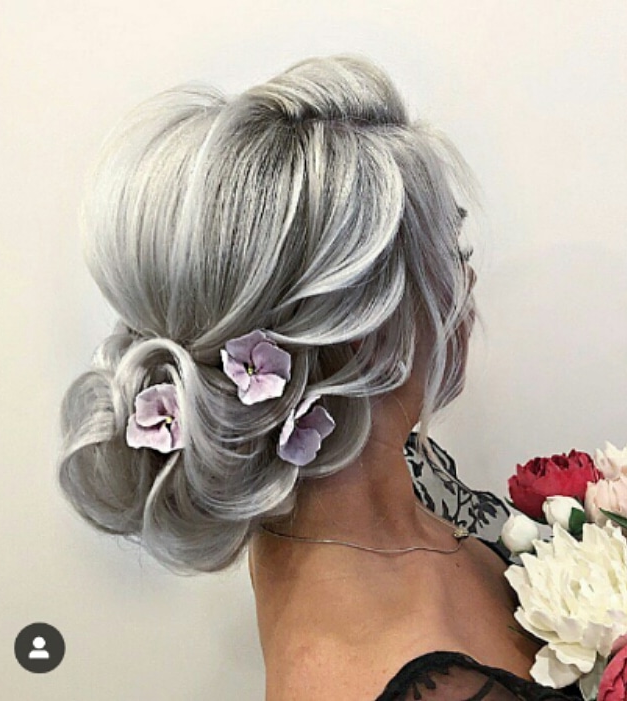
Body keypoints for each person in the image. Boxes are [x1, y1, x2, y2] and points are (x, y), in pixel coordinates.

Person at [58, 55, 579, 700]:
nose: (467, 282)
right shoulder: (386, 677)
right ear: (366, 325)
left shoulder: (367, 488)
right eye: (453, 253)